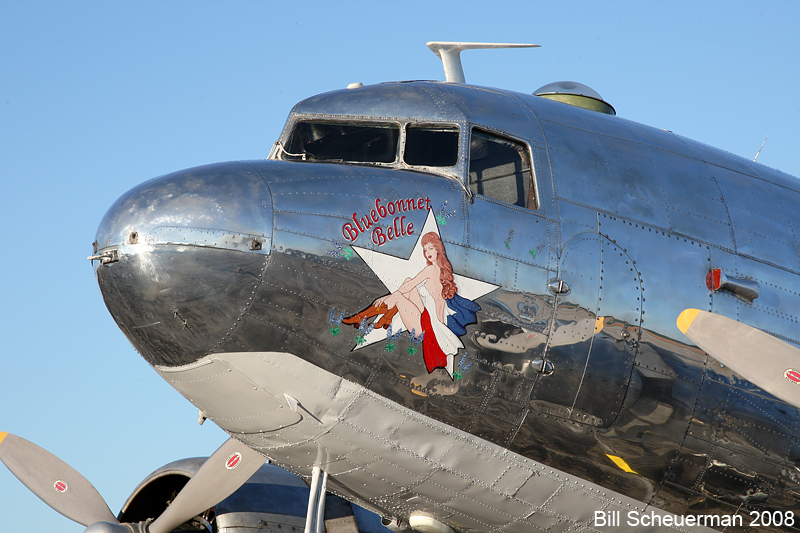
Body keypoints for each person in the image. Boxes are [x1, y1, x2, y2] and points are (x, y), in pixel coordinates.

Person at [344, 232, 479, 376]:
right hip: (428, 318)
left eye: (431, 248)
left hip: (427, 328)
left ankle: (362, 316)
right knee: (407, 281)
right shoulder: (441, 271)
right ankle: (385, 316)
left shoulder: (431, 269)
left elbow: (410, 287)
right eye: (425, 249)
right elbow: (414, 289)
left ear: (438, 249)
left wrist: (386, 298)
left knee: (398, 295)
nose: (427, 252)